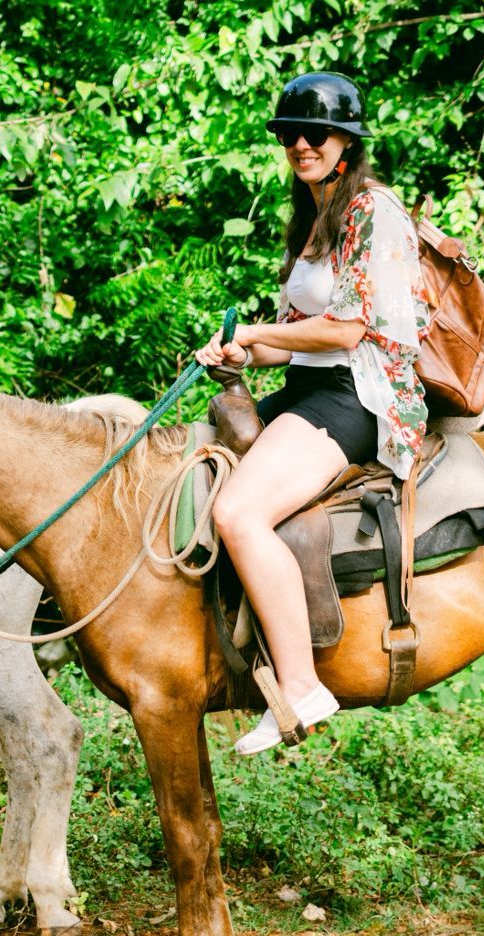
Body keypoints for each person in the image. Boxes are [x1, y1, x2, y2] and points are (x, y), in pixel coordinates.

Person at [195, 71, 430, 754]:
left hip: (360, 396)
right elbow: (296, 335)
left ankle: (300, 686)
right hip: (308, 386)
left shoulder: (371, 210)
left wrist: (262, 338)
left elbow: (348, 329)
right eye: (290, 135)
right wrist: (241, 354)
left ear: (347, 143)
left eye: (316, 134)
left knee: (237, 512)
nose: (300, 144)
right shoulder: (314, 214)